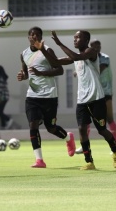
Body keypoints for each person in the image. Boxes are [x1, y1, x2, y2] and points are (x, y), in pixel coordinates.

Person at [48, 30, 116, 170]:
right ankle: (89, 161)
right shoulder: (76, 56)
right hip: (82, 99)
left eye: (77, 37)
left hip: (96, 98)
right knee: (82, 129)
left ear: (86, 39)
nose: (74, 39)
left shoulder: (91, 52)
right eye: (74, 37)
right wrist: (42, 50)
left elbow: (76, 57)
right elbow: (57, 61)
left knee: (101, 130)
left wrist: (59, 43)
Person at [17, 26, 76, 168]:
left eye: (37, 35)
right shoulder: (23, 54)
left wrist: (42, 73)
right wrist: (22, 76)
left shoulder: (47, 51)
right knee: (33, 125)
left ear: (41, 37)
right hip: (32, 96)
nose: (34, 37)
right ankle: (39, 160)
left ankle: (68, 137)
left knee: (51, 128)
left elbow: (59, 70)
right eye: (32, 35)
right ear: (28, 37)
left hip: (49, 95)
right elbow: (26, 73)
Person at [75, 39, 116, 154]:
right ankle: (84, 146)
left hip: (105, 92)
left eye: (98, 45)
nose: (96, 48)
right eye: (94, 46)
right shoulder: (86, 57)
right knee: (85, 123)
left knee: (109, 119)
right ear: (90, 46)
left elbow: (99, 69)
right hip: (91, 94)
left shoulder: (104, 57)